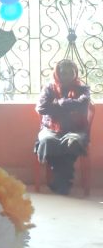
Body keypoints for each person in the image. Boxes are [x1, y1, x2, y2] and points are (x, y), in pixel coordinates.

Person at [36, 59, 93, 195]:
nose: (67, 76)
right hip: (50, 128)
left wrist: (59, 103)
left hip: (76, 129)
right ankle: (64, 182)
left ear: (75, 73)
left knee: (71, 142)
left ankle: (60, 182)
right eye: (63, 73)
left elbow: (83, 105)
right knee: (48, 141)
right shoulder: (49, 88)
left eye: (70, 73)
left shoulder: (83, 89)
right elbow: (42, 108)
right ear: (58, 73)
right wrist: (70, 106)